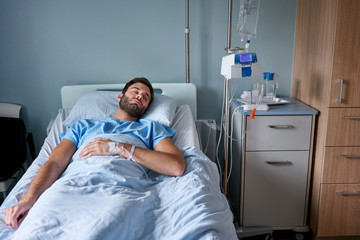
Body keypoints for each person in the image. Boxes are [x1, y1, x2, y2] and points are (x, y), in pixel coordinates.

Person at [4, 77, 185, 230]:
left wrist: (118, 148)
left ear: (146, 108)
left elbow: (175, 166)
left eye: (145, 97)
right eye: (135, 91)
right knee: (38, 227)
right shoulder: (83, 126)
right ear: (120, 96)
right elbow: (54, 163)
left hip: (121, 187)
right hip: (72, 186)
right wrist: (27, 201)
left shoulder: (151, 128)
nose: (140, 96)